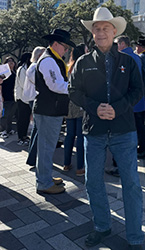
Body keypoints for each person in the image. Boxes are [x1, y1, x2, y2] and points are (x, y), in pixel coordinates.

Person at [69, 7, 144, 249]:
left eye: (105, 28)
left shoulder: (128, 61)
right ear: (92, 32)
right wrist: (94, 107)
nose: (100, 32)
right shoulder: (82, 62)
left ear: (114, 32)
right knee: (93, 181)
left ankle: (135, 237)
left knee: (131, 183)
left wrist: (118, 108)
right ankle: (102, 226)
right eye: (97, 28)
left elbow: (138, 91)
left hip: (124, 130)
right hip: (94, 131)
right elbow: (73, 91)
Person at [33, 29, 75, 194]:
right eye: (65, 46)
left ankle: (45, 177)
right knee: (46, 148)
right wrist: (75, 88)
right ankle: (43, 182)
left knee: (47, 147)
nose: (66, 50)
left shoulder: (52, 59)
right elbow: (56, 85)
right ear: (56, 44)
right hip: (48, 110)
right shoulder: (49, 60)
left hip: (50, 109)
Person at [116, 35, 145, 159]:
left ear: (122, 44)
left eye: (117, 43)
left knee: (137, 125)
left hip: (131, 98)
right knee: (140, 123)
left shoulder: (126, 57)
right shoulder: (142, 58)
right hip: (141, 96)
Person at [63, 43, 88, 177]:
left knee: (69, 135)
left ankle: (66, 163)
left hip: (69, 103)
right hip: (80, 104)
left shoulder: (68, 66)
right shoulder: (83, 66)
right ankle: (80, 167)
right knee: (80, 136)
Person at [23, 46, 46, 168]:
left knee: (36, 129)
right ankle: (33, 157)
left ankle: (32, 158)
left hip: (34, 99)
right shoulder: (34, 67)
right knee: (38, 129)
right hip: (35, 99)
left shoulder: (34, 67)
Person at [15, 52, 32, 146]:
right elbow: (23, 84)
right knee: (22, 119)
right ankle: (20, 137)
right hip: (22, 98)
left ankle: (24, 135)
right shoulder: (22, 69)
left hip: (26, 97)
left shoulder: (27, 69)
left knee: (26, 119)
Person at [0, 57, 17, 139]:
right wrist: (1, 96)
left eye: (12, 61)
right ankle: (2, 130)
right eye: (8, 62)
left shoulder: (15, 73)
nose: (11, 63)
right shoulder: (4, 74)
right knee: (5, 115)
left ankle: (9, 129)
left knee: (10, 114)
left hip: (13, 96)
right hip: (5, 97)